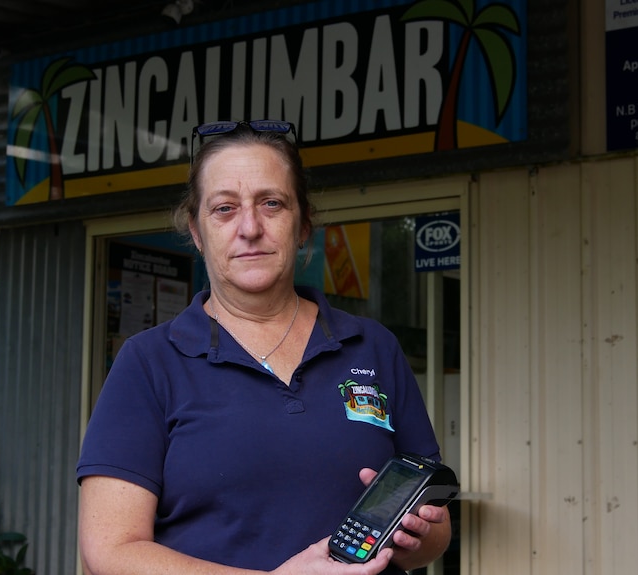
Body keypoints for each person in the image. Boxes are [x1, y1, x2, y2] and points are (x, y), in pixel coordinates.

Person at [76, 119, 452, 575]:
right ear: (196, 231)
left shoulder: (372, 347)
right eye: (224, 209)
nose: (250, 227)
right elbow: (110, 550)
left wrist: (418, 534)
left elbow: (437, 534)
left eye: (271, 203)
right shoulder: (149, 362)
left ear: (302, 225)